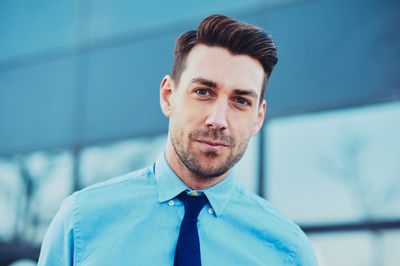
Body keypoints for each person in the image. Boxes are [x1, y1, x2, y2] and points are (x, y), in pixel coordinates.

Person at [38, 14, 318, 265]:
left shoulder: (290, 252)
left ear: (258, 118)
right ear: (168, 96)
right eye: (204, 92)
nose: (218, 120)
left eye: (241, 100)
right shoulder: (80, 222)